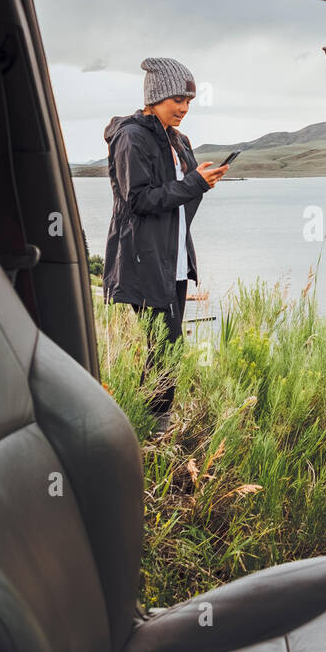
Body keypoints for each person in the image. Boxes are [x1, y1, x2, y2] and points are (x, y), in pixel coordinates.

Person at [103, 57, 227, 433]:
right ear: (155, 96)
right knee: (167, 348)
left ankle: (146, 423)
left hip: (171, 260)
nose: (185, 108)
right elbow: (138, 199)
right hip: (142, 261)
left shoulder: (177, 140)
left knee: (165, 348)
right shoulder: (131, 138)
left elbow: (179, 200)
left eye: (189, 100)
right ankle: (154, 426)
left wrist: (201, 179)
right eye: (178, 99)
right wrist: (192, 184)